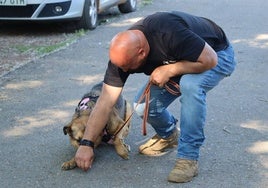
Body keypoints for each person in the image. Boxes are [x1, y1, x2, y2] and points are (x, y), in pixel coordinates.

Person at [75, 11, 236, 183]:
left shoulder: (168, 32)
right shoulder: (122, 57)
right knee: (143, 106)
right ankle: (168, 135)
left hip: (217, 55)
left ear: (142, 53)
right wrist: (87, 144)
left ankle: (188, 158)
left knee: (190, 85)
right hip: (183, 60)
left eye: (129, 67)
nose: (125, 71)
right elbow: (105, 101)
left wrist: (170, 70)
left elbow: (210, 60)